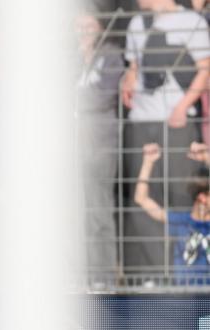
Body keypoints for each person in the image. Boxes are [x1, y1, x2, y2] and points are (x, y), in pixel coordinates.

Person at [121, 0, 210, 273]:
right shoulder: (137, 23)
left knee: (180, 196)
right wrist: (128, 77)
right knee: (145, 195)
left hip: (177, 123)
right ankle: (152, 276)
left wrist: (183, 106)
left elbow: (205, 68)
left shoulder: (191, 21)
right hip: (142, 120)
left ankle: (186, 270)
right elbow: (134, 65)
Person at [76, 10, 125, 281]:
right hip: (71, 145)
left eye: (87, 22)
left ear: (100, 25)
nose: (82, 29)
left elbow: (105, 94)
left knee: (99, 210)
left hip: (99, 143)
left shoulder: (111, 55)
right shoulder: (67, 58)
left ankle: (103, 277)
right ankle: (78, 275)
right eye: (77, 24)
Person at [135, 143, 210, 283]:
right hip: (185, 296)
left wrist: (206, 157)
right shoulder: (181, 220)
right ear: (202, 198)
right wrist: (147, 162)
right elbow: (141, 199)